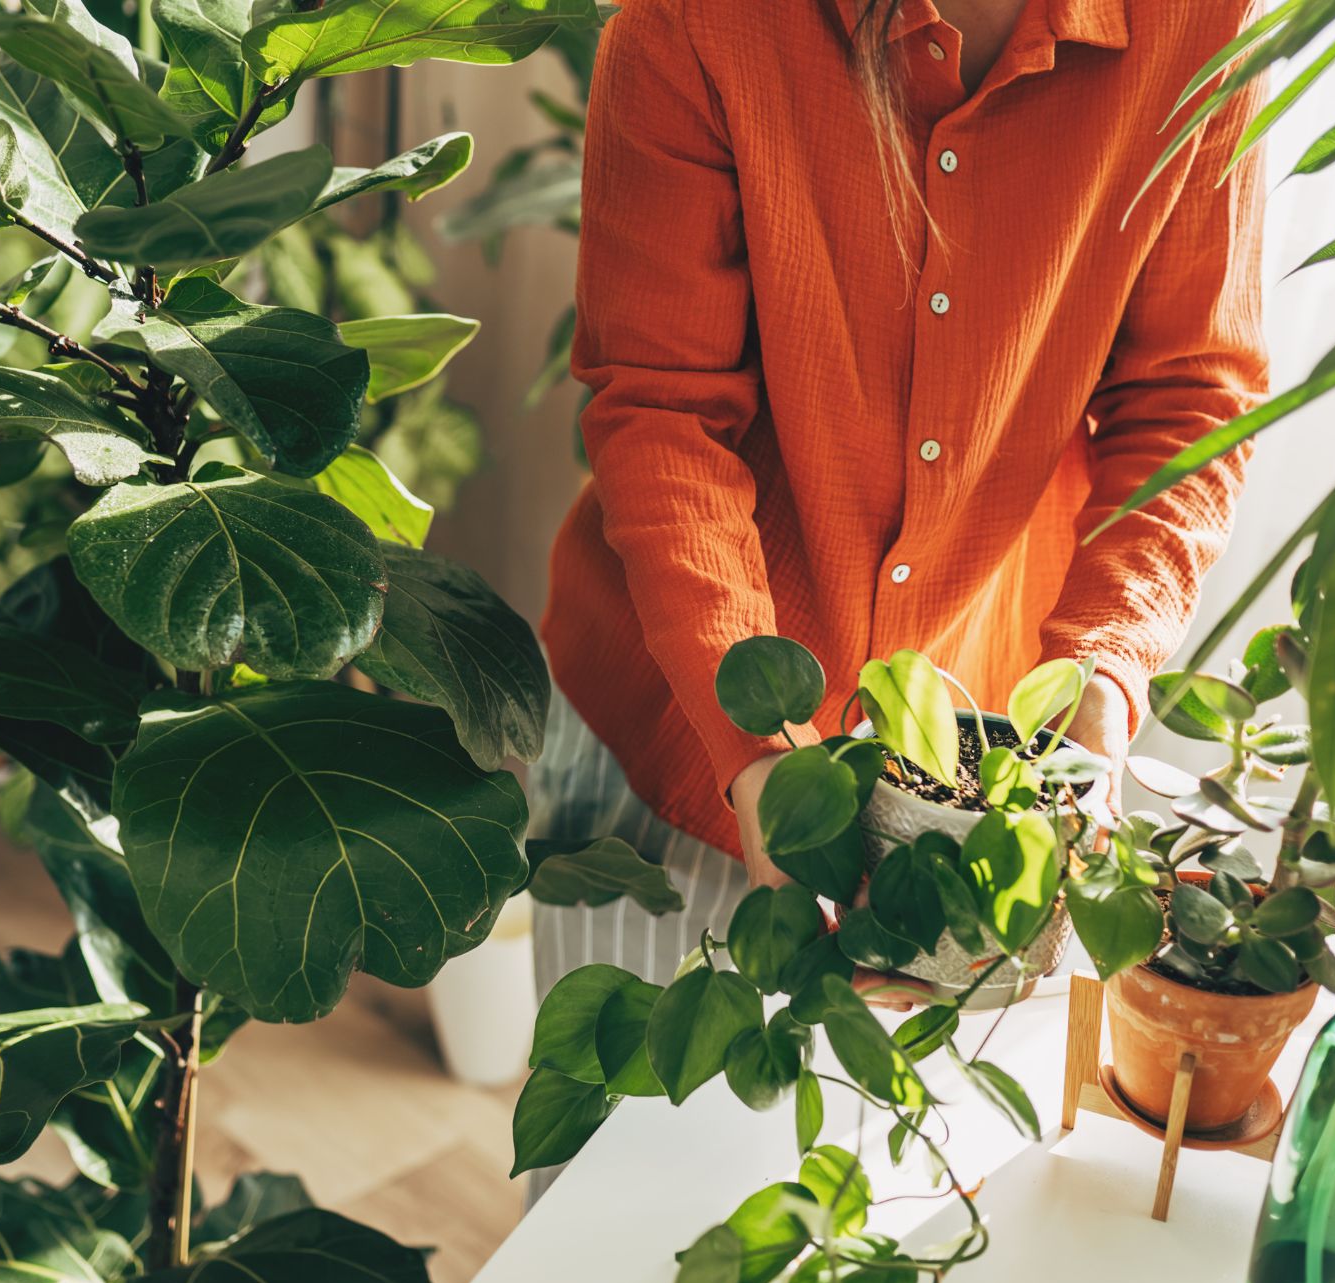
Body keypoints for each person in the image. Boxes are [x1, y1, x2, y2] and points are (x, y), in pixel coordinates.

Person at [529, 0, 1270, 1001]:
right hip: (671, 731)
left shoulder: (1200, 25)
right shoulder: (695, 22)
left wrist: (1096, 681)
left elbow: (1187, 399)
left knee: (887, 1155)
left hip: (967, 781)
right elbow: (663, 412)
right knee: (621, 1150)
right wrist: (759, 757)